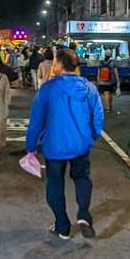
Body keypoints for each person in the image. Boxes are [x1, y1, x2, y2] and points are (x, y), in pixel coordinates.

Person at [26, 47, 104, 241]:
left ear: (59, 65)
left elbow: (36, 120)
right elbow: (98, 116)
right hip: (80, 145)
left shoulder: (48, 89)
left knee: (55, 185)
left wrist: (30, 147)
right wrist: (91, 135)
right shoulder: (89, 88)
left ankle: (63, 226)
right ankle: (83, 215)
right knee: (82, 179)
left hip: (54, 146)